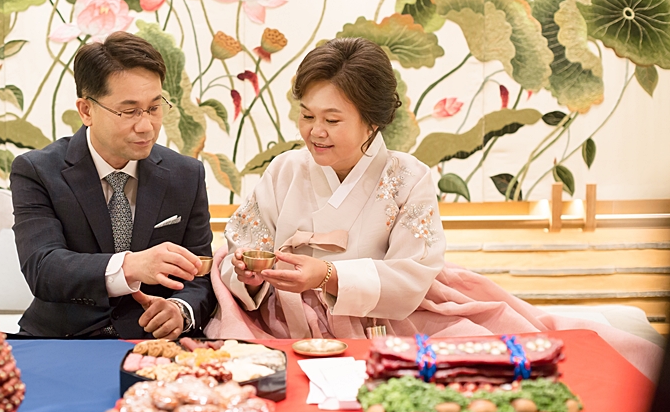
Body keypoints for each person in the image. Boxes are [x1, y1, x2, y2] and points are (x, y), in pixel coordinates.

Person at [206, 37, 662, 379]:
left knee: (497, 370)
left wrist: (328, 276)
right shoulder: (285, 169)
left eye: (332, 119)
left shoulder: (408, 177)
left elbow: (412, 273)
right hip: (286, 320)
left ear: (373, 121)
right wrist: (249, 274)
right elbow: (244, 243)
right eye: (307, 115)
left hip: (388, 318)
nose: (314, 131)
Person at [11, 31, 216, 340]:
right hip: (62, 339)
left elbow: (199, 273)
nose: (146, 126)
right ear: (86, 110)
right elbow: (43, 268)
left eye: (154, 108)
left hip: (150, 341)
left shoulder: (186, 174)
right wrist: (130, 266)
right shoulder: (38, 170)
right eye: (129, 111)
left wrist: (180, 310)